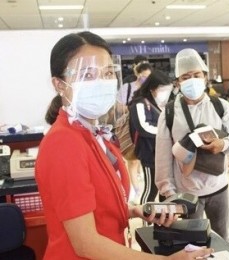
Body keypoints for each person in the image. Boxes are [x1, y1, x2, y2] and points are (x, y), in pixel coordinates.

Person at [35, 31, 212, 260]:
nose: (100, 82)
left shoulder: (92, 135)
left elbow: (96, 208)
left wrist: (134, 210)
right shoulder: (64, 143)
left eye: (108, 72)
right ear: (59, 84)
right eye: (87, 75)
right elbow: (86, 244)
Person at [155, 48, 229, 241]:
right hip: (186, 192)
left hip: (219, 188)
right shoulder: (169, 113)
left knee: (222, 239)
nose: (192, 80)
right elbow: (162, 158)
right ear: (178, 82)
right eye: (186, 77)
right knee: (191, 243)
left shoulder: (220, 106)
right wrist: (169, 193)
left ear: (205, 77)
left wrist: (223, 144)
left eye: (196, 75)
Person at [129, 70, 173, 206]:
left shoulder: (160, 104)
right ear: (153, 88)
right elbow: (143, 127)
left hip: (163, 154)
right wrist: (165, 133)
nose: (166, 93)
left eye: (168, 89)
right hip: (149, 154)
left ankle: (162, 221)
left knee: (164, 189)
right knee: (151, 190)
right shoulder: (140, 104)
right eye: (163, 89)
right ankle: (146, 221)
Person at [116, 62, 152, 204]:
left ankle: (143, 188)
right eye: (144, 76)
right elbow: (118, 106)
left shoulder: (150, 89)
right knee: (133, 160)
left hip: (146, 128)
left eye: (148, 77)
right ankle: (137, 191)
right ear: (137, 74)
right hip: (131, 127)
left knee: (145, 160)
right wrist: (133, 109)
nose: (145, 79)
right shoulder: (128, 87)